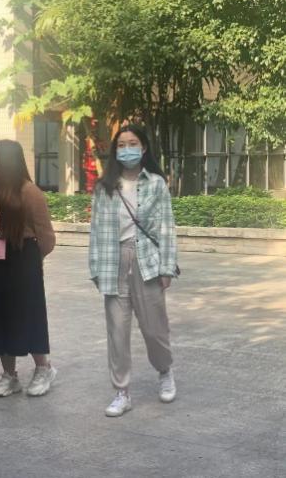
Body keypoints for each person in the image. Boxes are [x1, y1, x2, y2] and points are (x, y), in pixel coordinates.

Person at [89, 124, 178, 417]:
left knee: (154, 328)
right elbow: (96, 230)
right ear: (115, 150)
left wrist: (167, 267)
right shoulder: (104, 187)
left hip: (147, 261)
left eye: (132, 143)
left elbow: (166, 227)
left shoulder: (156, 183)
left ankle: (164, 371)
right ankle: (121, 391)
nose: (127, 149)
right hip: (113, 261)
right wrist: (96, 268)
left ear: (143, 148)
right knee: (117, 330)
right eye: (121, 144)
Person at [0, 140, 57, 397]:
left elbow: (47, 238)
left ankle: (43, 368)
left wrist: (31, 260)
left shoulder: (30, 192)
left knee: (28, 313)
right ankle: (10, 375)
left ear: (6, 160)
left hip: (23, 257)